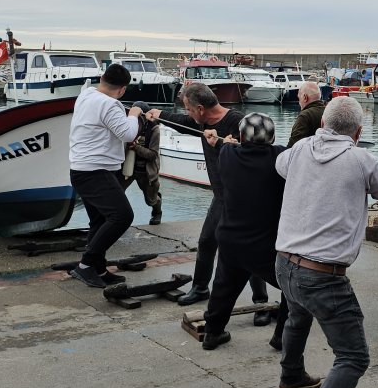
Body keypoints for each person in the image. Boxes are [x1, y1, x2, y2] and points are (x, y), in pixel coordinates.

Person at [275, 96, 378, 388]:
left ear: (321, 125)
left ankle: (291, 375)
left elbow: (281, 166)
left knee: (298, 315)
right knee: (353, 356)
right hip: (323, 276)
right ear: (358, 132)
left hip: (285, 264)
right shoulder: (361, 158)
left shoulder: (298, 149)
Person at [147, 84, 271, 324]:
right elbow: (181, 120)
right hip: (221, 197)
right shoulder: (201, 122)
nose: (188, 113)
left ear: (201, 109)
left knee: (250, 250)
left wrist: (224, 145)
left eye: (189, 108)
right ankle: (201, 287)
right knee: (206, 241)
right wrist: (158, 114)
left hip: (245, 199)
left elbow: (258, 155)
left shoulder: (238, 122)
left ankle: (261, 302)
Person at [199, 113, 289, 351]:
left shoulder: (228, 155)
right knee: (294, 286)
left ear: (240, 136)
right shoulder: (279, 157)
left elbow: (225, 145)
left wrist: (218, 140)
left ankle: (213, 333)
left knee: (222, 288)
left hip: (230, 239)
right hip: (264, 243)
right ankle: (282, 336)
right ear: (272, 138)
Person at [67, 64, 142, 289]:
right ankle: (86, 266)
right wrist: (134, 114)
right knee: (122, 216)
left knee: (99, 221)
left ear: (102, 78)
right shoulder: (110, 105)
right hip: (95, 171)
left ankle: (98, 268)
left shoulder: (86, 94)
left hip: (81, 169)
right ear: (122, 90)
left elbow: (105, 129)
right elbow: (129, 132)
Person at [121, 102, 162, 225]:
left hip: (145, 171)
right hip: (127, 168)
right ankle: (114, 218)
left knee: (151, 200)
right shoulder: (128, 125)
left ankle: (157, 212)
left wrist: (136, 147)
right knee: (115, 192)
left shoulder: (154, 130)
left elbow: (153, 155)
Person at [287, 80, 326, 147]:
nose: (299, 102)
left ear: (305, 97)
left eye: (299, 98)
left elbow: (293, 145)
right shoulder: (329, 112)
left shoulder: (305, 116)